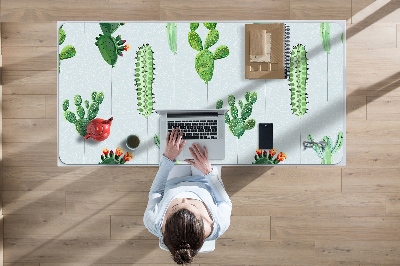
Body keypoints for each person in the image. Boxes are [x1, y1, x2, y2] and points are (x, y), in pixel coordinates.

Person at [143, 127, 232, 265]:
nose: (184, 198)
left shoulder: (153, 222)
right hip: (205, 180)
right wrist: (208, 171)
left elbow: (156, 192)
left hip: (174, 181)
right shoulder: (219, 224)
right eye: (192, 205)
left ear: (165, 224)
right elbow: (224, 202)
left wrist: (168, 159)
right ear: (203, 222)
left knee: (174, 143)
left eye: (176, 206)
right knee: (207, 139)